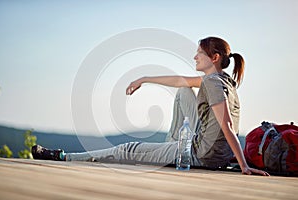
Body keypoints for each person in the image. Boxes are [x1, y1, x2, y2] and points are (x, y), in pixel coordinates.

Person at [32, 36, 269, 176]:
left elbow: (227, 124)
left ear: (214, 57)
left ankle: (63, 156)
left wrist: (244, 166)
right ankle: (171, 147)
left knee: (126, 149)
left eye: (199, 53)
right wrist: (143, 79)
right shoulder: (222, 81)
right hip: (213, 152)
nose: (195, 57)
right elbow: (180, 81)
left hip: (201, 155)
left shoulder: (212, 83)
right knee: (183, 91)